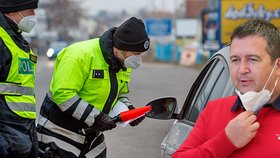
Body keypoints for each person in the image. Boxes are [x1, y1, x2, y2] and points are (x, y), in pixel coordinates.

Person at [37, 17, 150, 158]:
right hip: (59, 131)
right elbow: (63, 94)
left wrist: (129, 111)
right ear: (121, 47)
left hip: (91, 133)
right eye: (136, 54)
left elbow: (118, 94)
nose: (138, 59)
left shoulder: (123, 62)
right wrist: (97, 118)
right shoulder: (78, 55)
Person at [172, 19, 280, 158]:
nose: (242, 69)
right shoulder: (213, 110)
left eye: (252, 59)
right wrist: (226, 141)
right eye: (235, 60)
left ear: (277, 66)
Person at [0, 0, 39, 157]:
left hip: (22, 132)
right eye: (30, 10)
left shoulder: (16, 38)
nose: (34, 15)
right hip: (6, 136)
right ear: (13, 10)